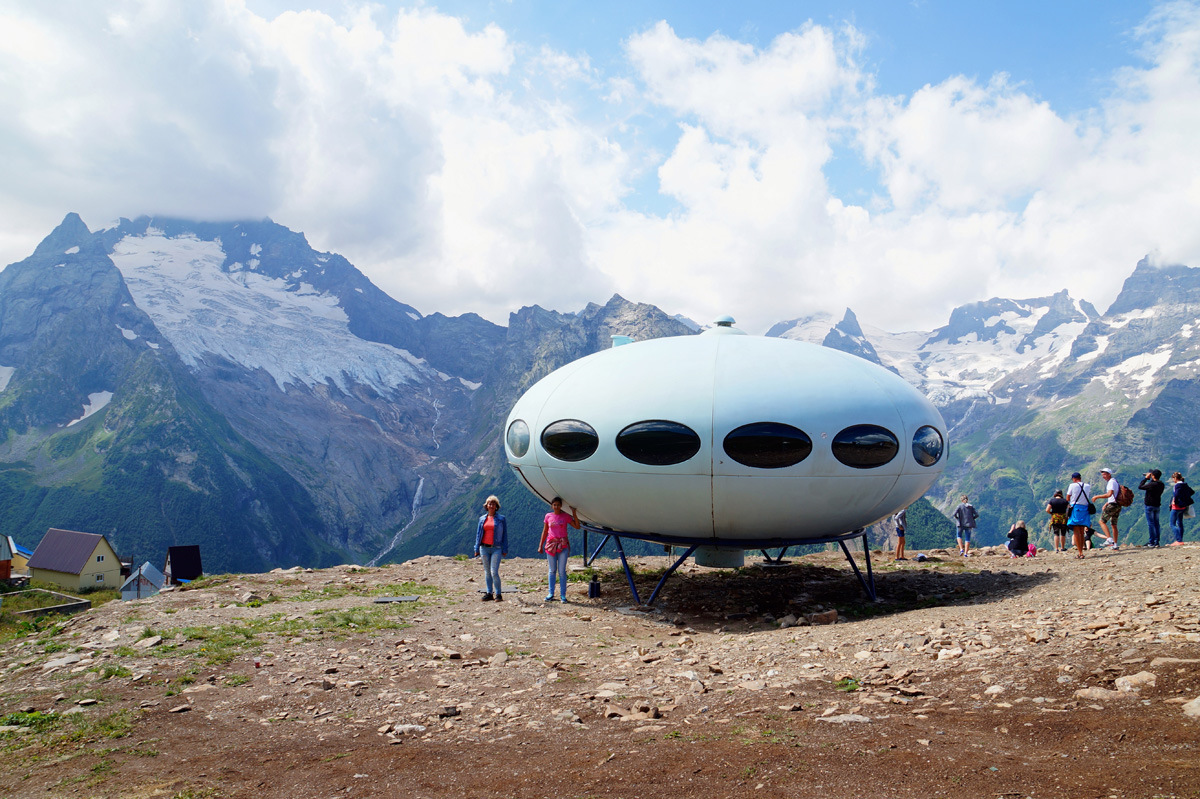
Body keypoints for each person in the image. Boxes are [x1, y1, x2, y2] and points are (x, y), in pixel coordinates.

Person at [538, 497, 580, 602]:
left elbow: (577, 526)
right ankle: (551, 593)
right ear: (552, 506)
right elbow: (545, 531)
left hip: (563, 546)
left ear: (561, 506)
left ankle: (563, 595)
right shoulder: (548, 516)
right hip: (551, 545)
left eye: (558, 505)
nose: (556, 507)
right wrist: (540, 545)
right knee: (552, 570)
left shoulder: (565, 516)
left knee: (561, 571)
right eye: (554, 505)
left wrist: (574, 513)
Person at [473, 495, 508, 601]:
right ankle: (489, 593)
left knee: (494, 572)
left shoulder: (501, 519)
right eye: (490, 504)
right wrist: (476, 548)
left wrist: (504, 548)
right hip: (484, 547)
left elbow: (505, 535)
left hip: (496, 548)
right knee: (487, 572)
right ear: (486, 506)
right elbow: (478, 534)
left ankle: (498, 594)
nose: (491, 506)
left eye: (493, 504)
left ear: (496, 506)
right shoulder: (482, 519)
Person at [1066, 472, 1093, 559]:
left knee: (1076, 531)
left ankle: (1080, 552)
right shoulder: (1087, 486)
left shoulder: (1072, 485)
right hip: (1085, 509)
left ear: (1074, 479)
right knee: (1081, 531)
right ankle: (1081, 550)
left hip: (1076, 508)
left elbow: (1068, 497)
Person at [1094, 468, 1122, 550]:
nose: (1103, 476)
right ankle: (1115, 544)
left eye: (1104, 474)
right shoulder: (1115, 481)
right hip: (1117, 504)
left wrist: (1097, 496)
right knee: (1114, 524)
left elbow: (1109, 494)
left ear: (1109, 474)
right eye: (1102, 475)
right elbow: (1114, 495)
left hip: (1113, 505)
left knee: (1102, 521)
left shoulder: (1111, 482)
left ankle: (1109, 539)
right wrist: (1107, 503)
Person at [1138, 469, 1166, 547]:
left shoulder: (1152, 485)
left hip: (1149, 506)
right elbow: (1152, 485)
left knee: (1151, 524)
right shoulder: (1161, 484)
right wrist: (1151, 478)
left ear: (1153, 476)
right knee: (1156, 524)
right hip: (1157, 505)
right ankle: (1157, 541)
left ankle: (1151, 542)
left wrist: (1146, 478)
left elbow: (1140, 487)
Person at [1169, 472, 1194, 546]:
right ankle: (1180, 539)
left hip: (1176, 507)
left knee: (1172, 524)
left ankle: (1179, 540)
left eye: (1173, 478)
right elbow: (1192, 492)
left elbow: (1176, 495)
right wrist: (1184, 499)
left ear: (1175, 478)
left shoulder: (1177, 485)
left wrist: (1175, 502)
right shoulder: (1185, 485)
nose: (1173, 480)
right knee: (1180, 523)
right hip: (1183, 507)